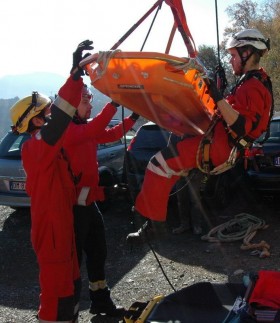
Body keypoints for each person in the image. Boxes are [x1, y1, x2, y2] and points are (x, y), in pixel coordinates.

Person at [129, 28, 273, 230]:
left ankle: (150, 217)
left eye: (233, 55)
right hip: (220, 142)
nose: (230, 60)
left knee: (158, 164)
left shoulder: (253, 86)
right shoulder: (253, 82)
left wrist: (217, 95)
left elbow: (241, 126)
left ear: (247, 53)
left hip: (220, 146)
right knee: (170, 168)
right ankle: (156, 214)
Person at [9, 41, 93, 323]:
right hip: (53, 233)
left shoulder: (46, 150)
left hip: (62, 229)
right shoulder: (34, 148)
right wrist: (74, 76)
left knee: (70, 287)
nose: (50, 116)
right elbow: (60, 119)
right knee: (56, 294)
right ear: (34, 121)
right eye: (45, 112)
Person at [63, 81, 139, 316]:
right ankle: (69, 311)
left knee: (98, 253)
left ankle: (100, 301)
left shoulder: (83, 129)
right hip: (72, 212)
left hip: (88, 205)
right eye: (85, 100)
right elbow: (97, 129)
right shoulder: (67, 130)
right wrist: (114, 103)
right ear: (71, 104)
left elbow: (112, 133)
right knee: (71, 265)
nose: (90, 104)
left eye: (89, 99)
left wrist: (134, 117)